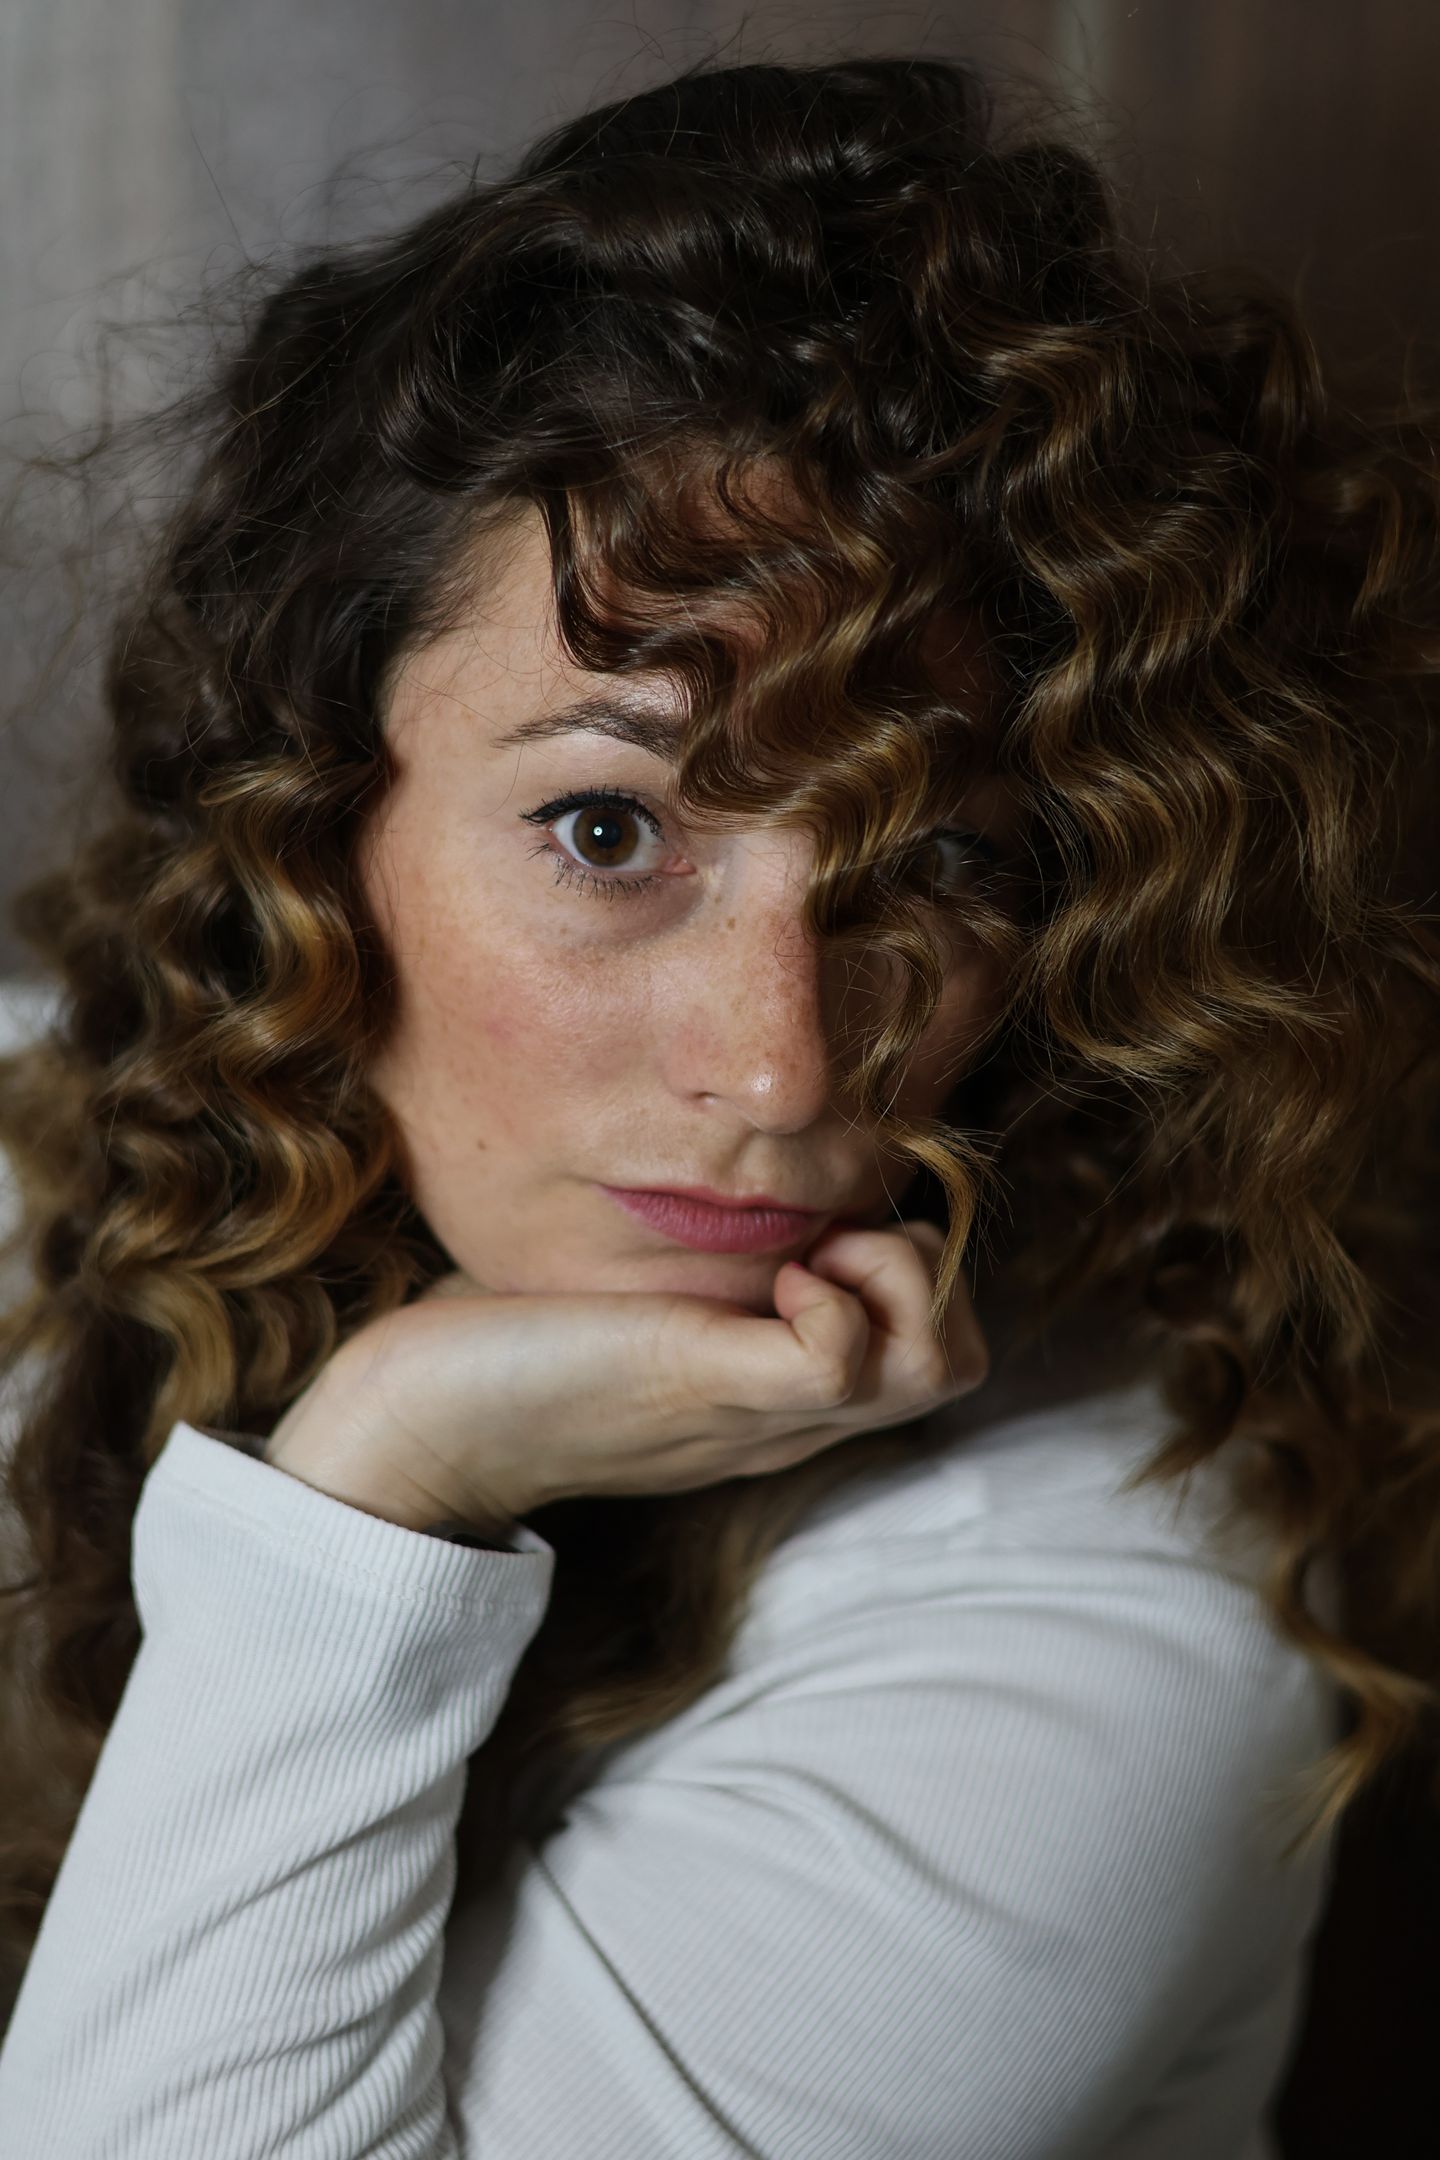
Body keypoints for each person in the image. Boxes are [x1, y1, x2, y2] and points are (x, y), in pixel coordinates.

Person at [0, 50, 1435, 2160]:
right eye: (609, 831)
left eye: (939, 864)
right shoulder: (60, 1159)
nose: (782, 1069)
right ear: (309, 820)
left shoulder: (1086, 1652)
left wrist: (385, 1481)